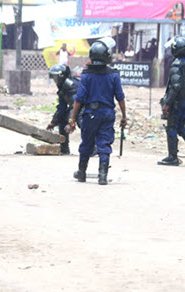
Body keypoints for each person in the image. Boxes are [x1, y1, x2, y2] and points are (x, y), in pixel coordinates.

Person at [69, 37, 127, 185]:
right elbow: (120, 97)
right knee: (104, 144)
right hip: (108, 114)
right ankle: (102, 176)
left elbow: (79, 99)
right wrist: (124, 117)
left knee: (87, 143)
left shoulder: (87, 75)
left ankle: (82, 173)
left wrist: (73, 119)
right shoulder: (113, 75)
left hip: (90, 115)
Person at [158, 36, 185, 166]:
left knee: (172, 127)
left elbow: (175, 86)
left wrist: (167, 103)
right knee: (181, 127)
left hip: (177, 102)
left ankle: (172, 156)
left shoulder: (176, 64)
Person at [47, 64, 80, 155]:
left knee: (82, 121)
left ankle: (93, 147)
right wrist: (54, 121)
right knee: (62, 120)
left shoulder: (71, 85)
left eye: (56, 77)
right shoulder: (62, 87)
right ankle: (64, 148)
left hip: (85, 106)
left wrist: (71, 122)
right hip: (76, 107)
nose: (54, 79)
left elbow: (75, 104)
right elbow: (62, 107)